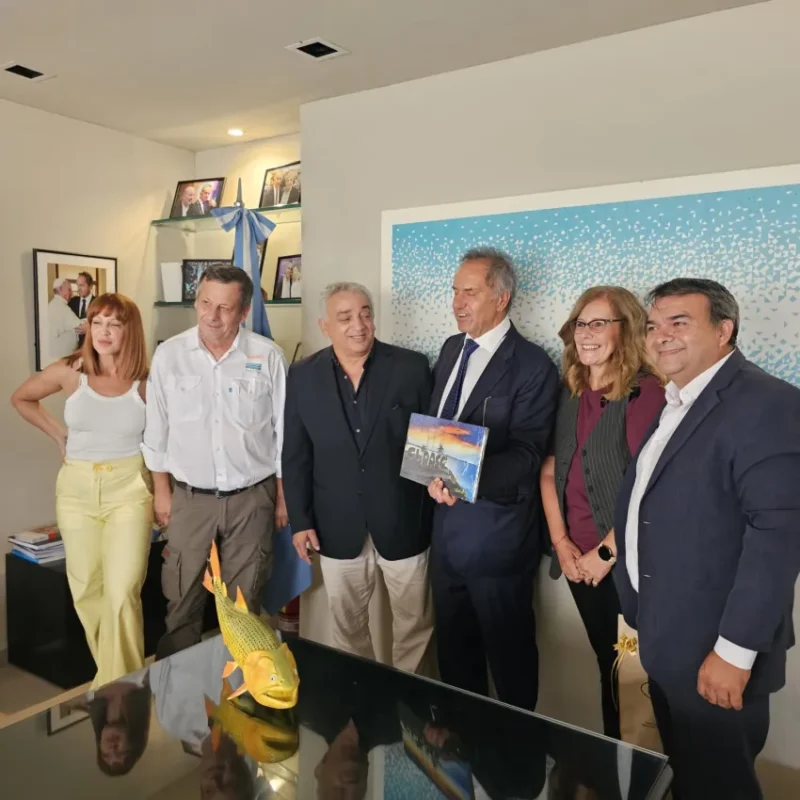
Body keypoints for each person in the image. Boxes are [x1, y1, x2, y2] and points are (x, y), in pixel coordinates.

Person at [614, 278, 800, 800]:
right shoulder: (677, 399)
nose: (661, 336)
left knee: (721, 787)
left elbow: (779, 535)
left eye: (679, 322)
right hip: (667, 639)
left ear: (724, 330)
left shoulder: (768, 403)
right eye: (654, 325)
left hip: (715, 652)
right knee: (689, 779)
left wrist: (734, 653)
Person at [427, 247, 559, 711]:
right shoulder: (450, 349)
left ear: (501, 298)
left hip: (498, 541)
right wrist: (432, 473)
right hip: (445, 537)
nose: (457, 302)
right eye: (454, 291)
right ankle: (462, 747)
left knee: (510, 667)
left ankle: (514, 755)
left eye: (469, 292)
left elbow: (526, 454)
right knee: (455, 664)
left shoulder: (533, 365)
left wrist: (458, 478)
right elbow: (438, 431)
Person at [283, 282, 434, 673]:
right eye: (345, 317)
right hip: (336, 525)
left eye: (365, 313)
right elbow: (296, 454)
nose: (359, 325)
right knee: (347, 630)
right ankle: (361, 700)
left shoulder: (412, 367)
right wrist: (300, 521)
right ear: (325, 326)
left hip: (403, 520)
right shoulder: (302, 375)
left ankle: (409, 704)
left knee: (414, 627)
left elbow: (432, 443)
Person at [142, 263, 288, 659]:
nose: (212, 315)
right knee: (181, 602)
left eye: (225, 307)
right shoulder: (170, 356)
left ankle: (239, 687)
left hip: (251, 498)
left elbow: (283, 434)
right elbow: (156, 431)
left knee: (244, 606)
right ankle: (178, 693)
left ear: (244, 311)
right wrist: (161, 492)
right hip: (190, 499)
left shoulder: (268, 356)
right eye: (206, 303)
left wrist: (282, 496)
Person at [540, 286, 664, 739]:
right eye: (580, 324)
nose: (586, 333)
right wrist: (562, 544)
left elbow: (651, 489)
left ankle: (639, 764)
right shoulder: (570, 391)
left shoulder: (646, 394)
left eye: (599, 324)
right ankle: (617, 758)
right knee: (607, 662)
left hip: (625, 564)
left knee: (632, 670)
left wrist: (606, 554)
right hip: (577, 561)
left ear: (625, 330)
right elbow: (549, 470)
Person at [12, 293, 153, 687]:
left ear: (130, 330)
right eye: (96, 322)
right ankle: (120, 684)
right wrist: (59, 434)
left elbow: (164, 441)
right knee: (87, 590)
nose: (103, 332)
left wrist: (165, 491)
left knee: (122, 592)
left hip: (128, 489)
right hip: (76, 490)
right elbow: (22, 398)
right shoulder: (70, 371)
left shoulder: (146, 381)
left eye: (114, 324)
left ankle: (118, 689)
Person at [47, 277, 84, 362]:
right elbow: (79, 326)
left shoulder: (55, 304)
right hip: (62, 357)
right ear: (60, 289)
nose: (71, 293)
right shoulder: (60, 306)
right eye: (69, 290)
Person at [69, 271, 96, 349]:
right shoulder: (71, 302)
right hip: (73, 347)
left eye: (81, 285)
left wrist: (90, 328)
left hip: (92, 347)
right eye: (77, 285)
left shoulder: (98, 303)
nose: (78, 289)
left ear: (90, 286)